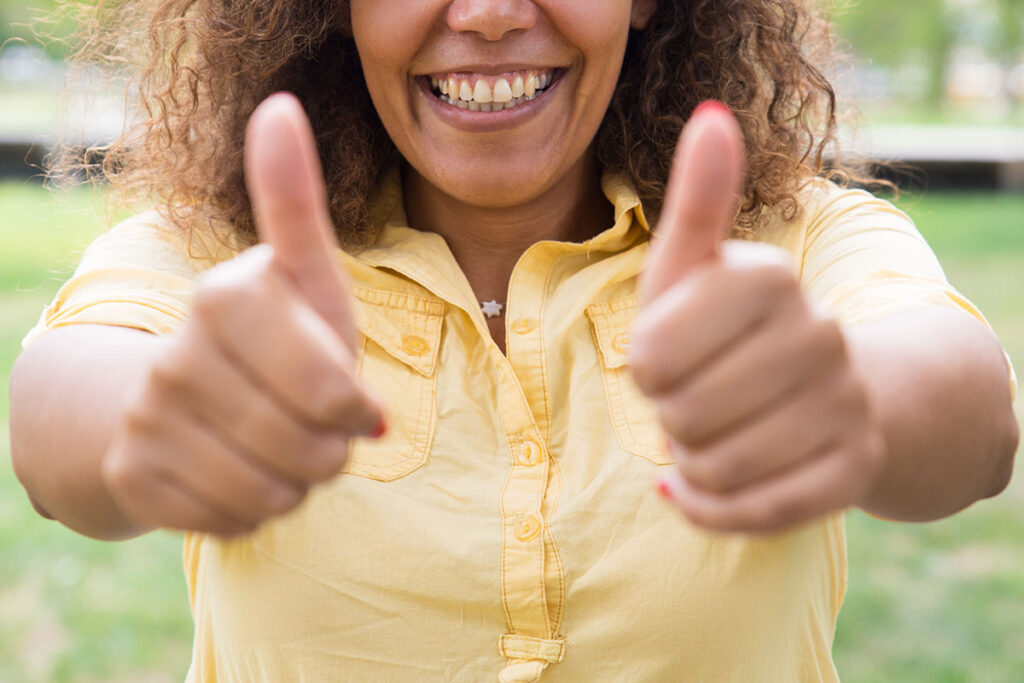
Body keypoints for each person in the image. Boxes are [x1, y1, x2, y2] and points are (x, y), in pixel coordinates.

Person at [9, 1, 1018, 680]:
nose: (489, 13)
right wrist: (155, 417)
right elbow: (63, 414)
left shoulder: (794, 240)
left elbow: (967, 417)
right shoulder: (229, 253)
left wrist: (849, 403)